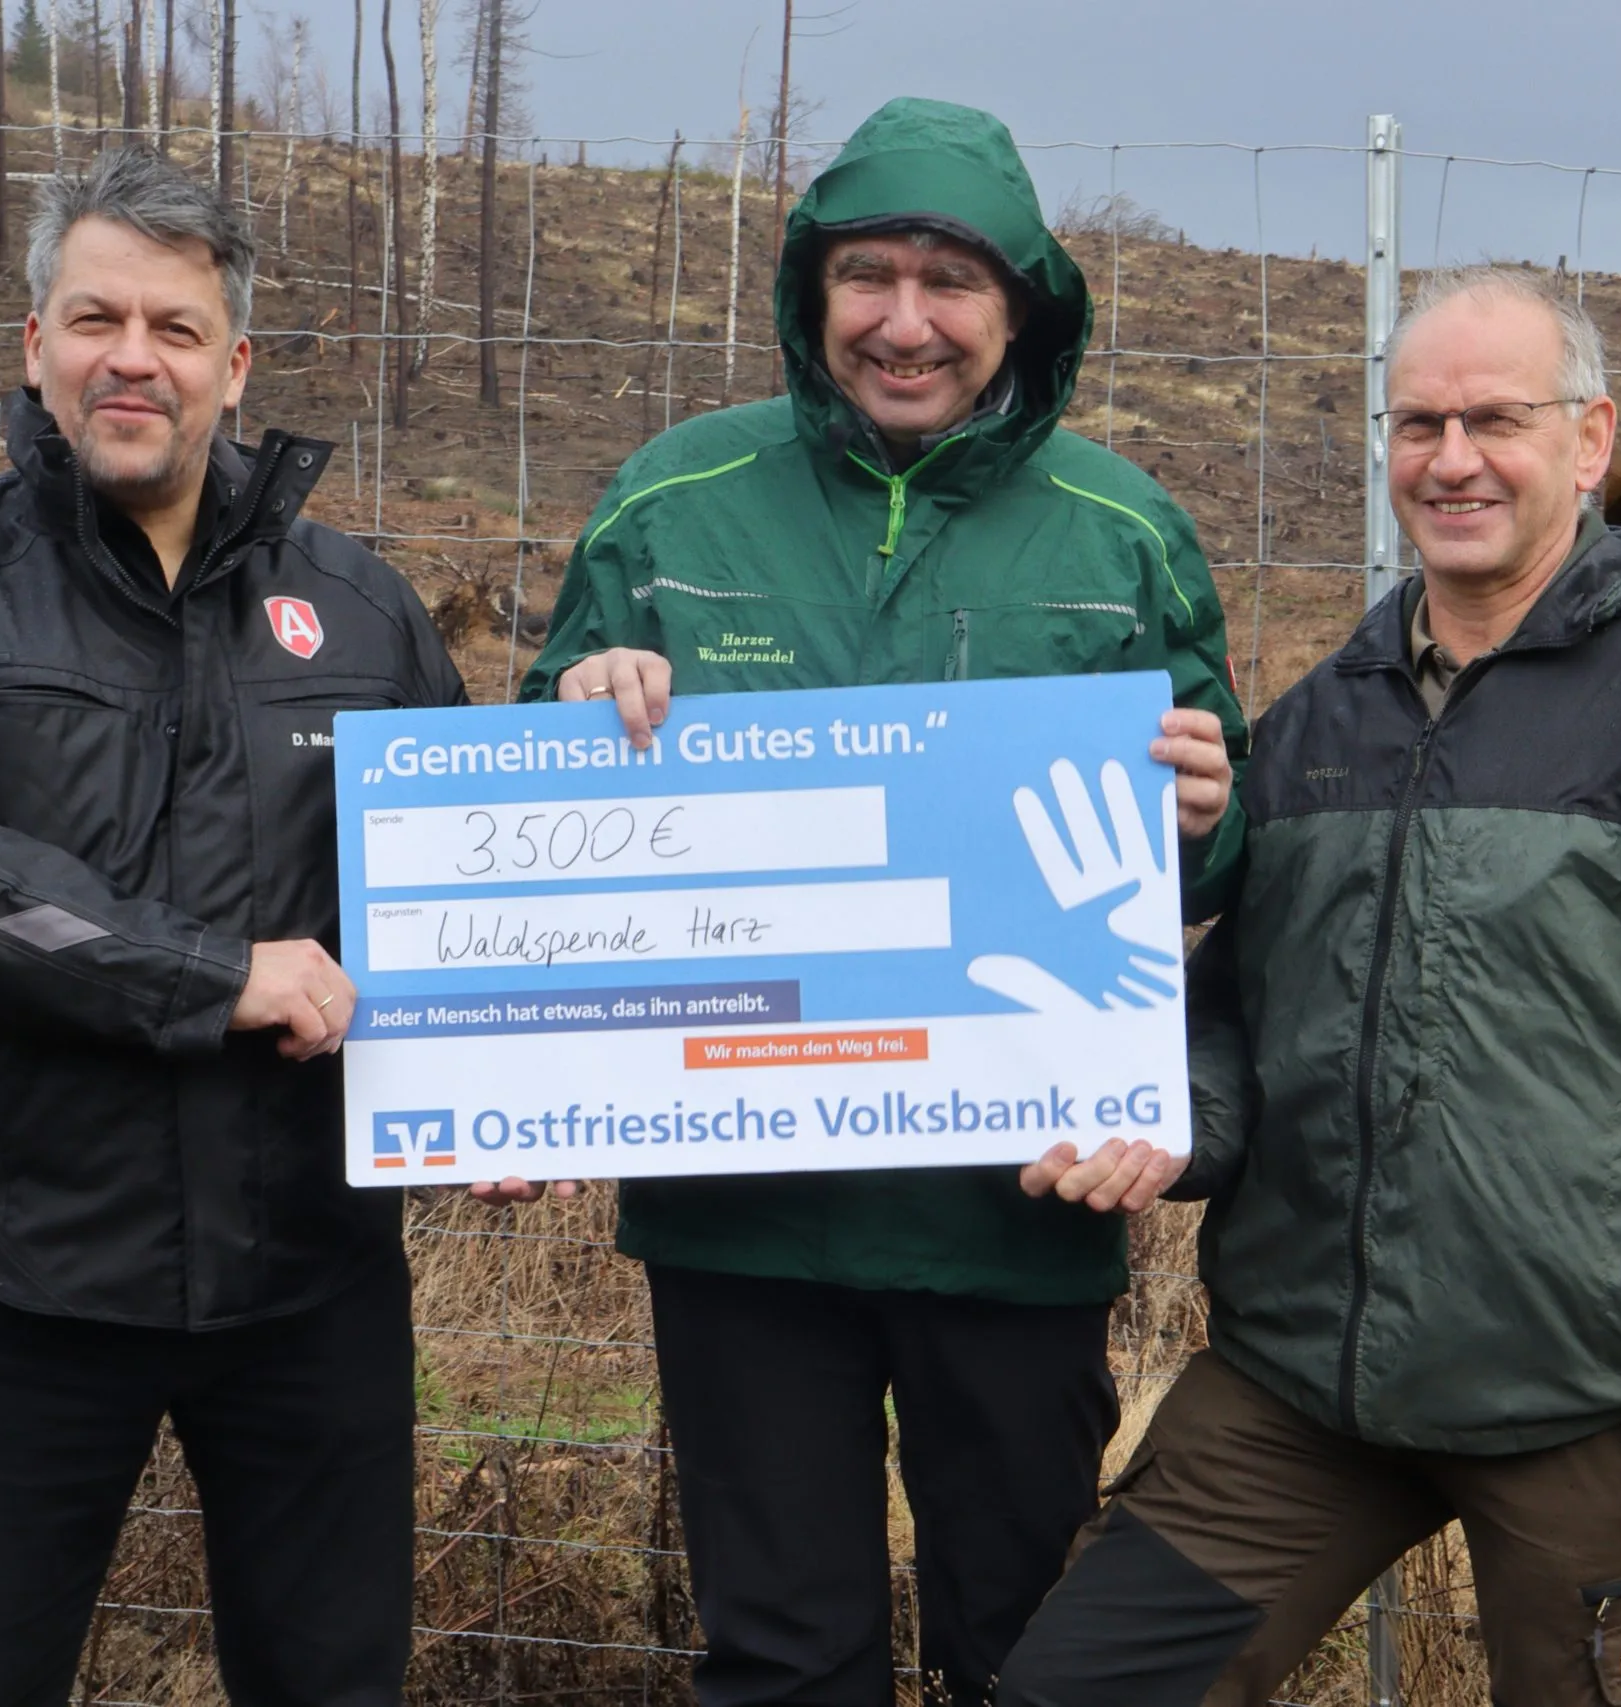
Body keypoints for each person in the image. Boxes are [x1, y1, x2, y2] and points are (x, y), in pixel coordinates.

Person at [995, 266, 1621, 1706]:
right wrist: (1172, 1115)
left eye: (1495, 418)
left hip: (1598, 1407)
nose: (1451, 460)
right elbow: (1248, 1011)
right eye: (1417, 422)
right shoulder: (1319, 717)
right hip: (1301, 1385)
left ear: (1587, 439)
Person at [496, 97, 1242, 1707]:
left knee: (1028, 1652)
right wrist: (572, 708)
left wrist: (1204, 811)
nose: (906, 322)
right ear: (809, 293)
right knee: (780, 1655)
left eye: (951, 282)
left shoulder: (1125, 536)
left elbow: (1209, 868)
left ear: (1023, 308)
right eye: (869, 274)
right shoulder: (673, 503)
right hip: (743, 1224)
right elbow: (538, 808)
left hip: (1014, 1218)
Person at [0, 147, 465, 1706]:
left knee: (334, 1680)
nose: (130, 357)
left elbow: (450, 893)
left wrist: (483, 1087)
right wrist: (215, 974)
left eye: (174, 326)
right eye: (94, 317)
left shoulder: (360, 611)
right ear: (35, 344)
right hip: (28, 1275)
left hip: (313, 1282)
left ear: (232, 366)